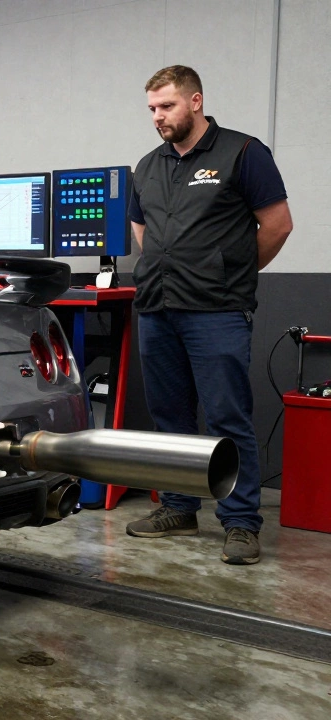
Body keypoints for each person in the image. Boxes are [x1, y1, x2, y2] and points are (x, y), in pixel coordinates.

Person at [124, 65, 293, 565]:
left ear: (195, 101)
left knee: (227, 416)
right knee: (169, 415)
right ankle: (177, 506)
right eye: (152, 108)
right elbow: (142, 229)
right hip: (156, 308)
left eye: (167, 106)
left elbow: (278, 225)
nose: (158, 116)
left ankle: (240, 522)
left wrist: (230, 272)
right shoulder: (147, 165)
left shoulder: (242, 152)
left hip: (216, 310)